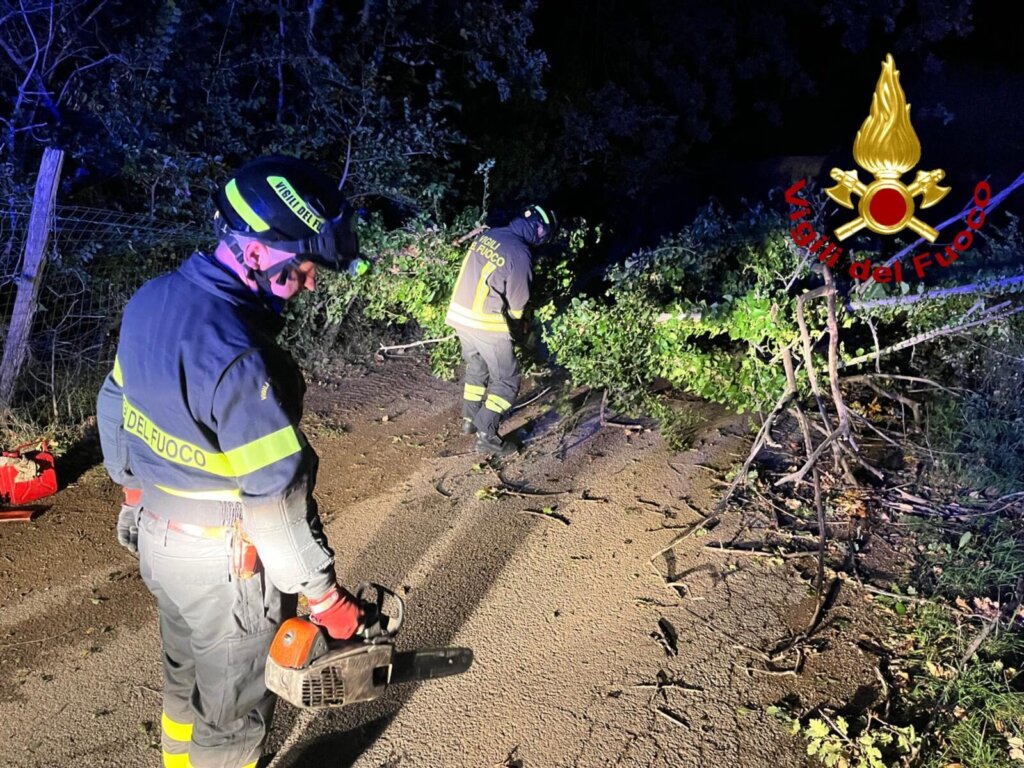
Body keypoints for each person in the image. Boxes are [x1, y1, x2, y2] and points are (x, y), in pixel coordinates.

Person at [96, 155, 371, 768]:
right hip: (227, 569)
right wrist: (325, 599)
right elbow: (275, 500)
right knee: (232, 722)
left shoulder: (151, 300)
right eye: (302, 268)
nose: (309, 284)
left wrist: (134, 496)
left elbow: (115, 402)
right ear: (255, 252)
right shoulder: (242, 360)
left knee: (183, 680)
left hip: (159, 541)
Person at [445, 204, 557, 456]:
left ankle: (470, 420)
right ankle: (486, 435)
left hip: (459, 316)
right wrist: (517, 328)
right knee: (506, 380)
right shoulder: (520, 252)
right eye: (543, 232)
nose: (542, 238)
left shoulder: (489, 235)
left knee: (477, 366)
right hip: (485, 323)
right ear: (537, 227)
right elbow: (518, 302)